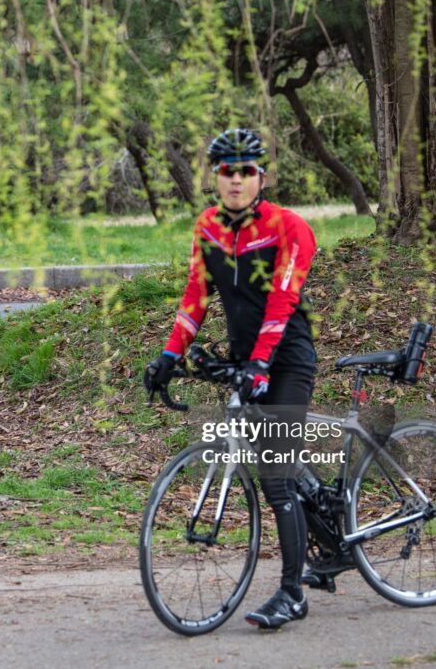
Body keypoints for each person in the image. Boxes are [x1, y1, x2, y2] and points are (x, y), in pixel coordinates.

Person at [144, 128, 318, 630]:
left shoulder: (289, 228)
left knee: (276, 478)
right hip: (248, 360)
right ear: (216, 177)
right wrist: (168, 355)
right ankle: (321, 537)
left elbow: (282, 303)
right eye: (227, 172)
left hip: (286, 360)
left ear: (261, 176)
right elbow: (196, 297)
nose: (236, 180)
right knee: (279, 461)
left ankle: (293, 593)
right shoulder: (208, 229)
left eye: (246, 171)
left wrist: (261, 363)